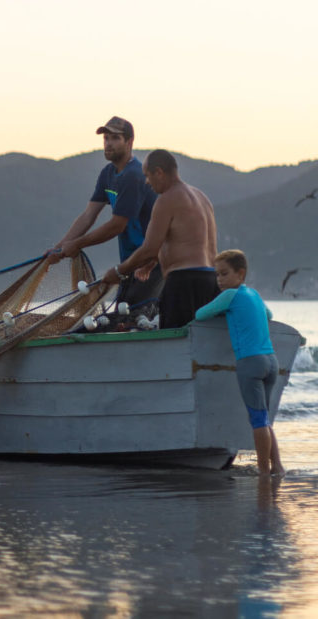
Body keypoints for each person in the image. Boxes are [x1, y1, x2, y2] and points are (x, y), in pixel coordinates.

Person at [48, 116, 163, 313]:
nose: (108, 144)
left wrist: (77, 244)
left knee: (136, 318)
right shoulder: (108, 174)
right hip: (130, 263)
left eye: (115, 138)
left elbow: (117, 225)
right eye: (106, 138)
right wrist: (59, 247)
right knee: (123, 317)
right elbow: (88, 215)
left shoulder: (133, 175)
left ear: (129, 142)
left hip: (152, 262)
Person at [102, 149, 219, 329]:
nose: (147, 182)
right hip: (211, 280)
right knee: (203, 340)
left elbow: (149, 247)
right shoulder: (201, 197)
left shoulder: (166, 199)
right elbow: (187, 240)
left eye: (148, 176)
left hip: (183, 282)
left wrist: (118, 271)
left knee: (173, 344)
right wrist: (153, 260)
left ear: (159, 172)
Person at [194, 249, 284, 477]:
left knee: (257, 419)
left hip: (250, 362)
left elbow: (201, 314)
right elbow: (269, 315)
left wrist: (225, 311)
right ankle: (278, 467)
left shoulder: (229, 296)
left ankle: (264, 471)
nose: (219, 280)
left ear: (240, 274)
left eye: (224, 274)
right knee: (264, 417)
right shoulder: (254, 294)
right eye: (217, 275)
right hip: (271, 361)